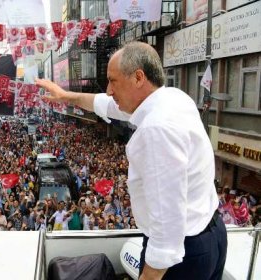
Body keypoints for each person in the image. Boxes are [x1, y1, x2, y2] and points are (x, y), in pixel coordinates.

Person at [35, 41, 227, 280]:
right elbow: (105, 104)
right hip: (211, 234)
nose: (108, 90)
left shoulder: (156, 129)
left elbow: (167, 223)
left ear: (138, 77)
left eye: (113, 80)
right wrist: (65, 96)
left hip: (184, 256)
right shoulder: (173, 98)